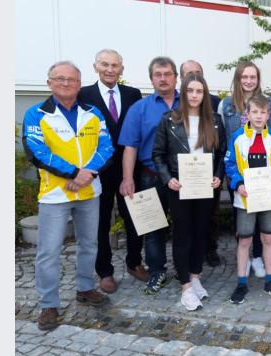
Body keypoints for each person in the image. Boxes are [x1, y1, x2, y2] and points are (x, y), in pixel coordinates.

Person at [22, 61, 114, 330]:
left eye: (71, 79)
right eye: (59, 78)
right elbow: (37, 152)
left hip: (89, 190)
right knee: (49, 251)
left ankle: (85, 288)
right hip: (54, 194)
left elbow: (106, 147)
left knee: (89, 244)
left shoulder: (93, 113)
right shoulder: (36, 114)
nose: (66, 83)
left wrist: (86, 175)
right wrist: (74, 173)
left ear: (79, 84)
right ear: (49, 82)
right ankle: (48, 304)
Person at [152, 73, 226, 311]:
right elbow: (158, 154)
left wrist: (218, 175)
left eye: (199, 91)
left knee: (200, 232)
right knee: (183, 234)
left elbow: (222, 153)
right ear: (183, 93)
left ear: (205, 94)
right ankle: (185, 286)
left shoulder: (215, 120)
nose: (194, 95)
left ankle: (195, 276)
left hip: (205, 185)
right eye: (190, 91)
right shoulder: (169, 120)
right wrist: (168, 179)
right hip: (179, 186)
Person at [77, 49, 144, 294]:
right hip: (98, 170)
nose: (110, 69)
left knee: (134, 216)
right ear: (95, 67)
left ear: (121, 69)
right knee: (100, 221)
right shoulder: (83, 95)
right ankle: (104, 271)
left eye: (115, 65)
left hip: (130, 168)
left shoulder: (133, 94)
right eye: (104, 64)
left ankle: (134, 262)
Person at [118, 56, 180, 295]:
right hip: (150, 176)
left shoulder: (190, 103)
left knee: (184, 225)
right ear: (151, 79)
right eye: (158, 75)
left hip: (184, 178)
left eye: (167, 74)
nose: (163, 79)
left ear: (176, 77)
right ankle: (157, 270)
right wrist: (127, 178)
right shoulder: (140, 108)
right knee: (153, 227)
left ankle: (185, 269)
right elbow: (130, 146)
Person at [224, 93, 271, 304]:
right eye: (255, 112)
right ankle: (241, 282)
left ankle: (270, 280)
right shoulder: (238, 137)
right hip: (245, 197)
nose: (259, 116)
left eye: (263, 112)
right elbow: (230, 164)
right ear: (247, 114)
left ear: (269, 115)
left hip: (269, 196)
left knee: (268, 238)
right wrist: (238, 183)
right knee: (245, 240)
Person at [218, 61, 271, 278]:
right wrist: (230, 175)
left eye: (253, 77)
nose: (249, 81)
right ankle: (245, 257)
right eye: (244, 77)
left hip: (264, 175)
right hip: (238, 173)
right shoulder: (226, 105)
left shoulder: (269, 102)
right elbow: (222, 139)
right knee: (241, 217)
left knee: (262, 215)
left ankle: (259, 257)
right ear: (238, 78)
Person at [180, 59, 222, 267]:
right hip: (182, 177)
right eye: (189, 74)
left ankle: (208, 250)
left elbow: (221, 147)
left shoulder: (214, 106)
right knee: (185, 222)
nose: (195, 94)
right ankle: (186, 261)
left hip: (207, 176)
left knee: (208, 217)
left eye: (198, 72)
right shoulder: (174, 113)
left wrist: (218, 174)